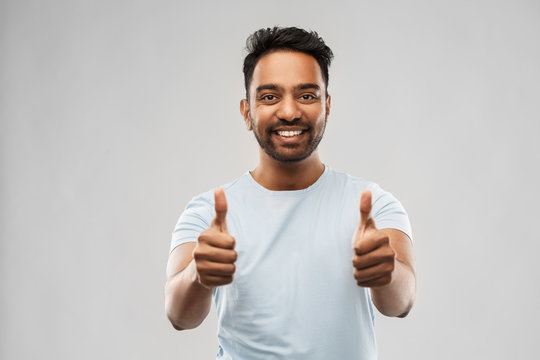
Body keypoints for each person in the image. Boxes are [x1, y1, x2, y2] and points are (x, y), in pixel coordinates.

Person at [165, 26, 416, 359]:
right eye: (269, 96)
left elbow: (402, 302)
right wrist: (199, 274)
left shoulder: (372, 205)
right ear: (246, 111)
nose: (289, 111)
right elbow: (179, 316)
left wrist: (386, 272)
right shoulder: (206, 212)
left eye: (307, 95)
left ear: (327, 106)